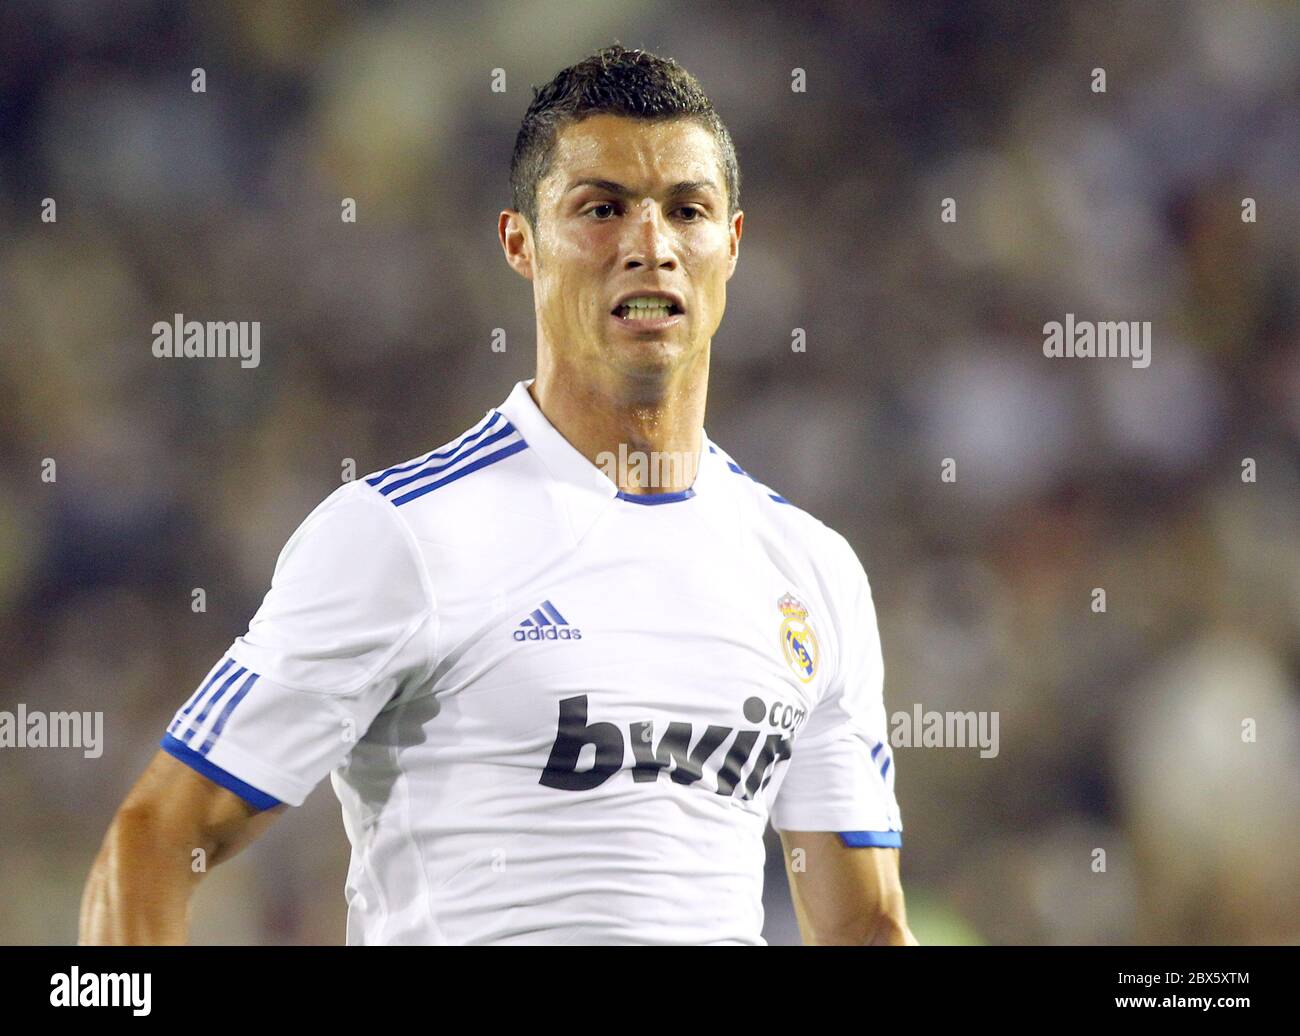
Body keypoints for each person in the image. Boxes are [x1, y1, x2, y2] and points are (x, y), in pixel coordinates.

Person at [81, 43, 915, 946]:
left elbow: (866, 925)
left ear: (733, 246)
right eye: (602, 209)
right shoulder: (403, 536)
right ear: (521, 241)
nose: (651, 246)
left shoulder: (815, 571)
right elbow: (159, 835)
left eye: (687, 211)